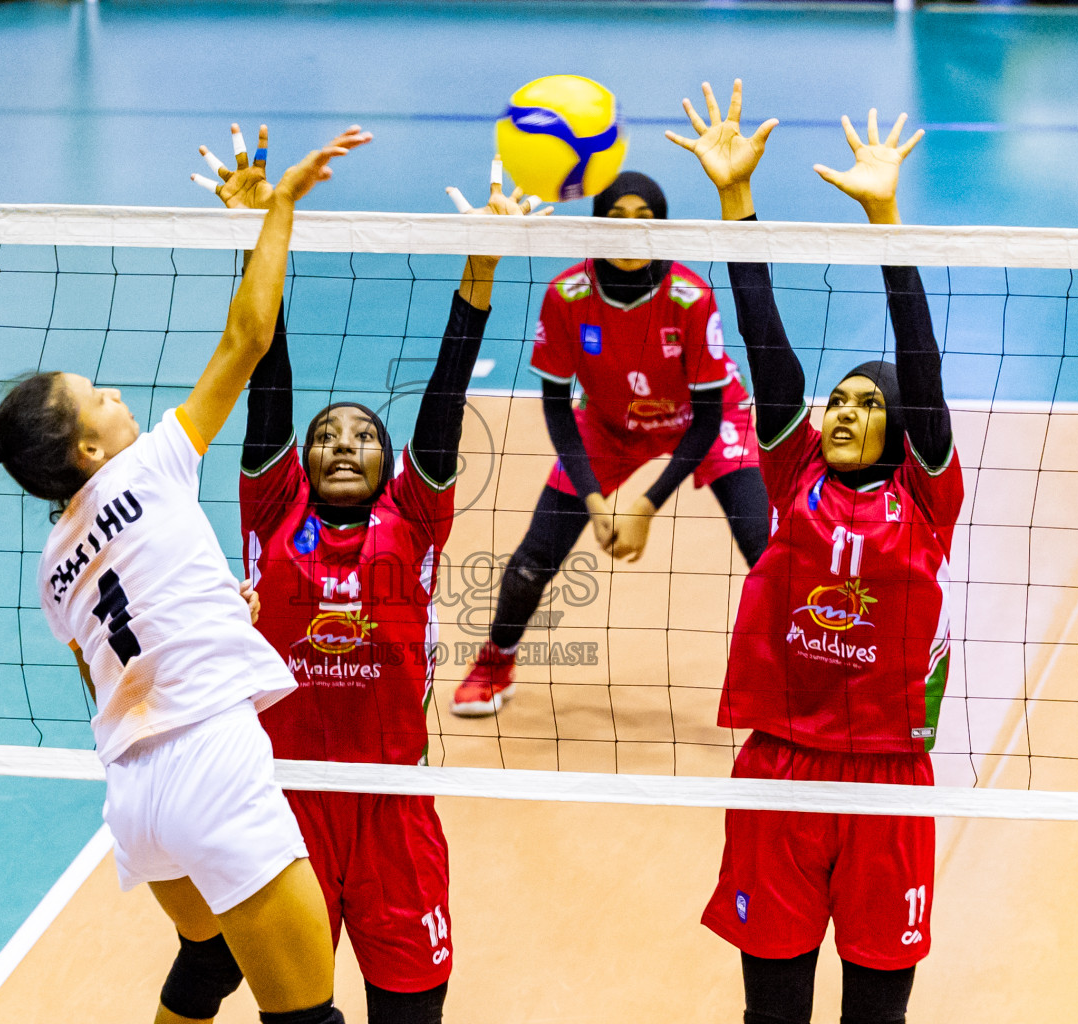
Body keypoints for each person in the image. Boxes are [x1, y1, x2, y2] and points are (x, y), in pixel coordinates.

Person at [0, 123, 371, 1024]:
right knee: (309, 1018)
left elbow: (109, 666)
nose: (121, 397)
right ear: (91, 448)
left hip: (135, 798)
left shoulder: (55, 569)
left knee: (207, 970)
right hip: (212, 761)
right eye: (103, 398)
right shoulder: (152, 463)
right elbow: (248, 338)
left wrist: (210, 614)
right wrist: (279, 209)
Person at [668, 80, 959, 1024]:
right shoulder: (794, 474)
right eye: (839, 400)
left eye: (868, 405)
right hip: (781, 765)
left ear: (901, 428)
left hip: (887, 775)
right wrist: (734, 204)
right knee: (772, 1012)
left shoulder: (927, 496)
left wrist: (884, 222)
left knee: (877, 1013)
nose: (844, 411)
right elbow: (767, 347)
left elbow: (921, 364)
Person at [230, 159, 540, 1024]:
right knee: (293, 1013)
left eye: (362, 436)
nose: (338, 444)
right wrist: (261, 229)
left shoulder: (416, 514)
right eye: (324, 434)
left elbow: (447, 387)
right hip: (283, 800)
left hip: (394, 808)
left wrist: (480, 265)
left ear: (391, 462)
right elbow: (265, 368)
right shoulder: (271, 503)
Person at [450, 169, 770, 717]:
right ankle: (496, 659)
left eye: (644, 221)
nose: (628, 231)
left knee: (766, 549)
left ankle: (793, 669)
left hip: (704, 420)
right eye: (615, 218)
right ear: (596, 226)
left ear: (662, 230)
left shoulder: (690, 296)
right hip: (608, 423)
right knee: (535, 555)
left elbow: (709, 417)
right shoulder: (567, 294)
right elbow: (556, 409)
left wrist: (645, 507)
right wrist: (597, 501)